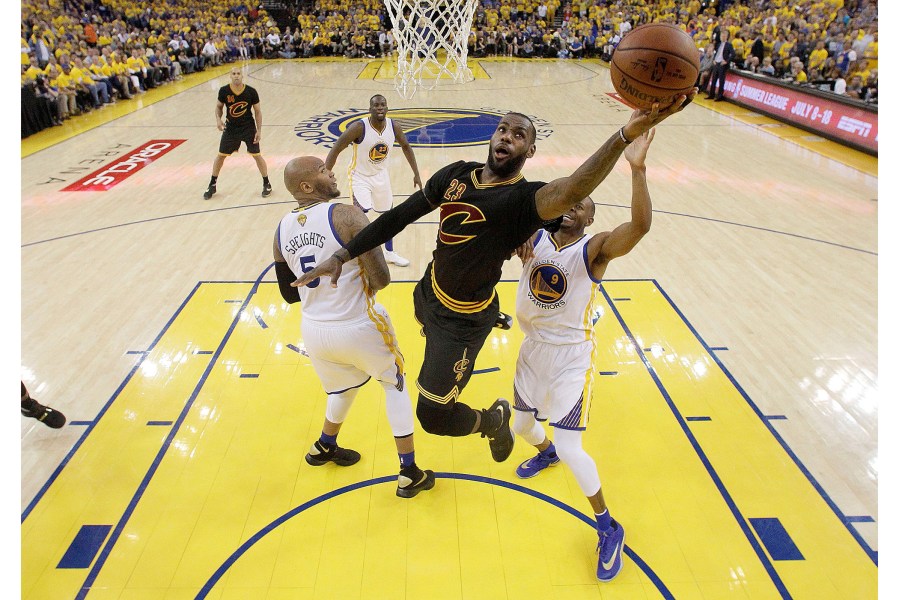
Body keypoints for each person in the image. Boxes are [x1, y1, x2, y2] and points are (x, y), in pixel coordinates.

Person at [293, 96, 693, 464]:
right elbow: (399, 217)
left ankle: (491, 421)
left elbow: (575, 187)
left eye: (520, 135)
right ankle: (489, 315)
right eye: (503, 129)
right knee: (425, 305)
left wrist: (624, 137)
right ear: (493, 136)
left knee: (433, 415)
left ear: (530, 151)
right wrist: (342, 255)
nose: (507, 137)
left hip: (462, 321)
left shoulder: (526, 201)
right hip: (428, 291)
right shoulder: (455, 174)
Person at [510, 129, 656, 582]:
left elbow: (640, 228)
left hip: (571, 356)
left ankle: (609, 526)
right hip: (532, 349)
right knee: (520, 426)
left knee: (574, 447)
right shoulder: (532, 235)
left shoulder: (593, 250)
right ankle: (545, 451)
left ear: (590, 220)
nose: (572, 207)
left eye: (582, 206)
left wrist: (637, 168)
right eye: (569, 201)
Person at [273, 156, 435, 498]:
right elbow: (381, 279)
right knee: (395, 384)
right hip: (358, 324)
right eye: (321, 170)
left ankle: (324, 446)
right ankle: (409, 472)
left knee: (343, 389)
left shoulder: (281, 229)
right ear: (306, 186)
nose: (330, 171)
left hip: (315, 331)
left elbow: (288, 295)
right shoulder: (346, 215)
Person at [324, 94, 423, 267]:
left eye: (382, 105)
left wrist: (416, 173)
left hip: (381, 175)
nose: (379, 108)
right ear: (370, 109)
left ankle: (390, 253)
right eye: (376, 105)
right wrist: (326, 174)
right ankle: (356, 252)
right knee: (362, 216)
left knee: (388, 216)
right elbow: (337, 148)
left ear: (387, 108)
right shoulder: (358, 127)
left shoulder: (394, 127)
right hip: (359, 176)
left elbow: (406, 147)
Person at [203, 67, 272, 200]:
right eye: (233, 74)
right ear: (230, 75)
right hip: (231, 128)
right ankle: (212, 184)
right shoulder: (224, 91)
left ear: (242, 76)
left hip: (248, 127)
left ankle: (266, 183)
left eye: (238, 74)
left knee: (257, 155)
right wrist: (218, 119)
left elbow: (258, 111)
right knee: (220, 156)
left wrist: (259, 130)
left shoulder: (251, 92)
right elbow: (218, 107)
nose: (236, 76)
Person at [706, 29, 735, 101]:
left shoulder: (729, 45)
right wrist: (714, 60)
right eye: (722, 35)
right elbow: (716, 53)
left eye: (724, 35)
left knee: (721, 81)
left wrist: (726, 61)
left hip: (722, 64)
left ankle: (719, 96)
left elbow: (733, 54)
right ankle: (711, 95)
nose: (722, 37)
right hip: (717, 62)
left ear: (727, 36)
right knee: (713, 80)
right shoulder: (718, 44)